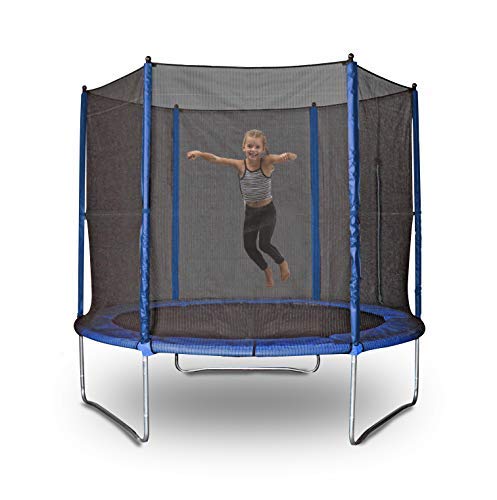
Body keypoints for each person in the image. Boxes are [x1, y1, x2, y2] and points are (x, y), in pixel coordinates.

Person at [187, 129, 297, 287]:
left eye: (257, 147)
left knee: (264, 244)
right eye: (250, 146)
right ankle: (267, 270)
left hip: (267, 211)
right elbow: (216, 159)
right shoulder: (240, 165)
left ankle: (282, 263)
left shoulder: (266, 162)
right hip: (251, 213)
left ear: (263, 149)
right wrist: (199, 153)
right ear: (243, 147)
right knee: (249, 246)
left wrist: (287, 156)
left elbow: (285, 157)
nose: (253, 150)